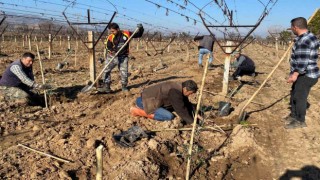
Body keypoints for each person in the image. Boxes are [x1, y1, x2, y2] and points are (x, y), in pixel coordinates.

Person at [285, 17, 319, 129]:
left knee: (299, 97)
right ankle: (294, 115)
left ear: (295, 27)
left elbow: (302, 62)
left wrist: (294, 75)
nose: (291, 30)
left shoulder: (304, 41)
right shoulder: (309, 37)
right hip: (304, 73)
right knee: (294, 94)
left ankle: (300, 121)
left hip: (306, 75)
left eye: (292, 28)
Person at [98, 23, 144, 93]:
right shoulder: (110, 37)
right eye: (111, 31)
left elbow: (138, 35)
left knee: (124, 72)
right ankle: (106, 87)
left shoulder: (127, 33)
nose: (112, 33)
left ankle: (124, 87)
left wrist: (141, 29)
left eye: (113, 31)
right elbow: (108, 46)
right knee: (106, 70)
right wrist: (113, 51)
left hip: (123, 57)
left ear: (118, 29)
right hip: (112, 57)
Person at [129, 80, 201, 125]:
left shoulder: (179, 87)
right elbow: (181, 110)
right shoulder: (175, 92)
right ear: (185, 89)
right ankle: (137, 111)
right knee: (169, 116)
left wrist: (195, 112)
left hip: (152, 100)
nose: (190, 95)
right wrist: (192, 123)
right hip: (145, 102)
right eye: (190, 93)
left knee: (173, 108)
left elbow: (185, 103)